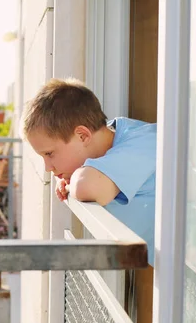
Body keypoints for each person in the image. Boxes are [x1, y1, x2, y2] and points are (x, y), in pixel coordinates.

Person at [22, 78, 157, 265]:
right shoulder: (109, 141)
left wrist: (77, 178)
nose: (48, 167)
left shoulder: (142, 143)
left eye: (50, 154)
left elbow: (86, 186)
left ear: (82, 135)